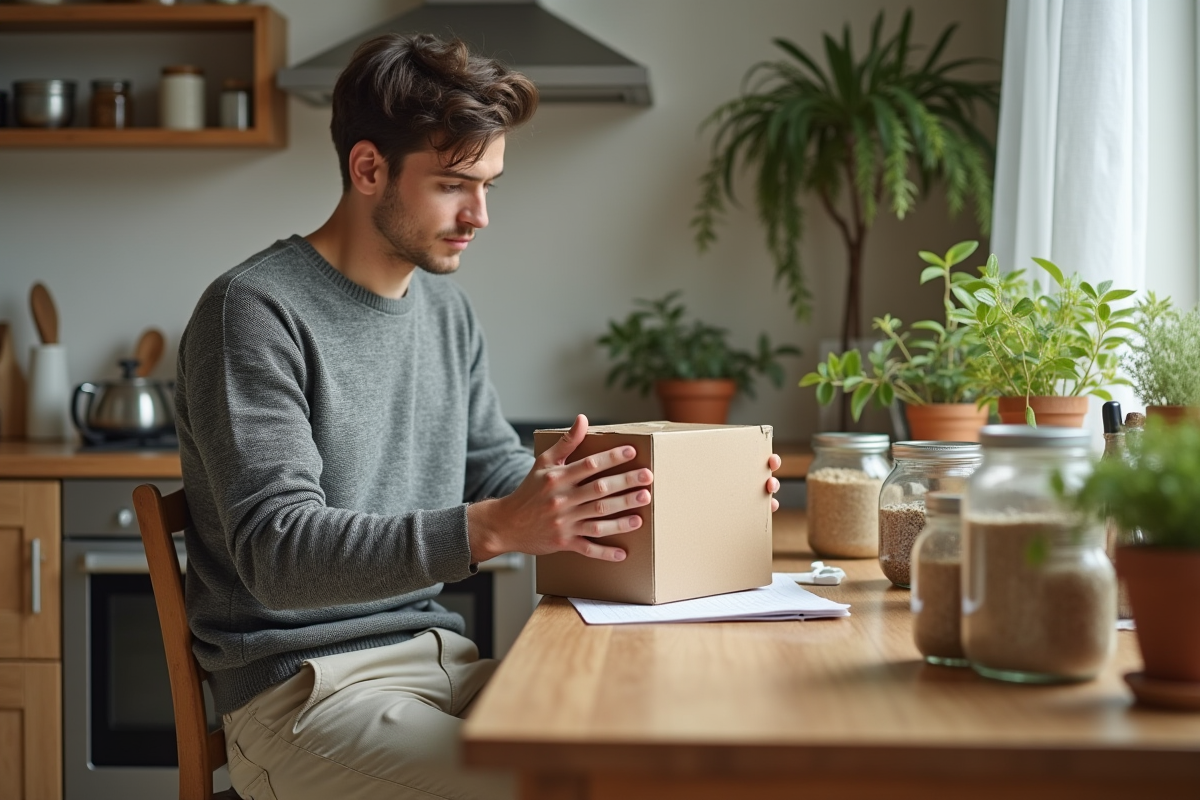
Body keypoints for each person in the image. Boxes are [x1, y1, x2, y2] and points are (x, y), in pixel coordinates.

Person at [176, 32, 783, 800]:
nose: (480, 215)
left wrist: (669, 496)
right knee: (553, 791)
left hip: (444, 662)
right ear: (368, 169)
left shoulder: (445, 310)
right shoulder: (254, 310)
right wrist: (493, 527)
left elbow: (495, 469)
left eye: (490, 185)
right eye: (454, 185)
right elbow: (278, 552)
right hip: (305, 692)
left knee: (659, 747)